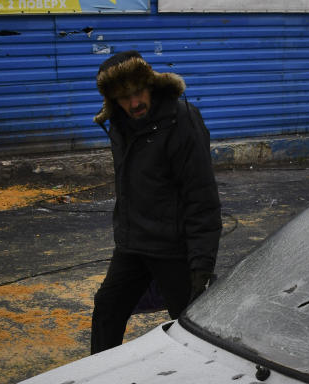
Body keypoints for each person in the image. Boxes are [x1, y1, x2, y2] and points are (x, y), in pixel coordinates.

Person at [90, 50, 222, 354]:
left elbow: (201, 196)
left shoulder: (182, 121)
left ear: (151, 84)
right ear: (112, 99)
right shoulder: (120, 125)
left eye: (138, 92)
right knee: (107, 307)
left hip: (174, 249)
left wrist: (201, 264)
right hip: (133, 246)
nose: (134, 103)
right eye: (124, 97)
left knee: (190, 328)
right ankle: (98, 374)